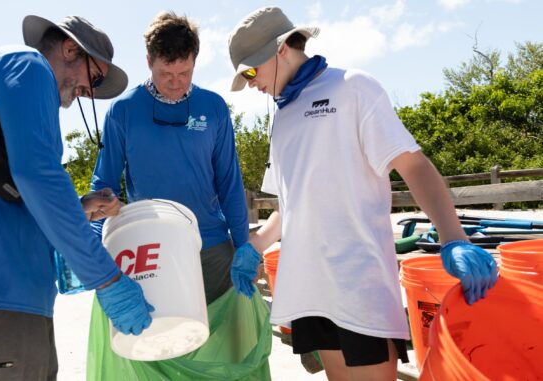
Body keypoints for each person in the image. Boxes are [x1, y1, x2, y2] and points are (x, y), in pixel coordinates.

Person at [227, 7, 498, 381]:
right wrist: (253, 247)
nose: (251, 83)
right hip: (308, 287)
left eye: (252, 71)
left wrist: (453, 237)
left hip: (357, 286)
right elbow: (290, 206)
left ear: (283, 48)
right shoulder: (282, 115)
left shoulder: (353, 87)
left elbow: (414, 166)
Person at [0, 15, 153, 380]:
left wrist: (77, 207)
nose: (90, 91)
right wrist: (107, 279)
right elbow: (37, 175)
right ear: (70, 49)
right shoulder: (28, 64)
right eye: (96, 78)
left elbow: (8, 185)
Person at [87, 11, 271, 380]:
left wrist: (244, 245)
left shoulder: (214, 108)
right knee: (158, 347)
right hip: (153, 250)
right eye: (165, 74)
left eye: (185, 74)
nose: (176, 83)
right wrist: (97, 260)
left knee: (228, 351)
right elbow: (103, 188)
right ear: (149, 62)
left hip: (214, 248)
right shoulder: (123, 111)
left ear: (195, 63)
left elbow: (230, 184)